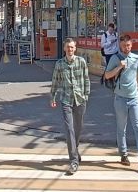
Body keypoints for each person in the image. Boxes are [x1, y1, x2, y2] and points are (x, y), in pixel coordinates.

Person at [104, 34, 138, 170]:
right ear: (120, 45)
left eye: (128, 45)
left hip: (134, 98)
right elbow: (107, 75)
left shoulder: (136, 58)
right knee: (121, 128)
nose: (126, 48)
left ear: (131, 45)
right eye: (124, 46)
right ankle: (123, 154)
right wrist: (119, 67)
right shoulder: (115, 58)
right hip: (120, 98)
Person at [50, 38, 90, 175]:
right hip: (66, 100)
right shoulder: (60, 64)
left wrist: (86, 95)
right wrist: (52, 97)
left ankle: (75, 149)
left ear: (75, 48)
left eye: (72, 47)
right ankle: (73, 161)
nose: (70, 49)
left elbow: (86, 79)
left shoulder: (81, 62)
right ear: (64, 48)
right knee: (69, 129)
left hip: (80, 100)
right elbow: (55, 81)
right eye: (68, 47)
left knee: (78, 128)